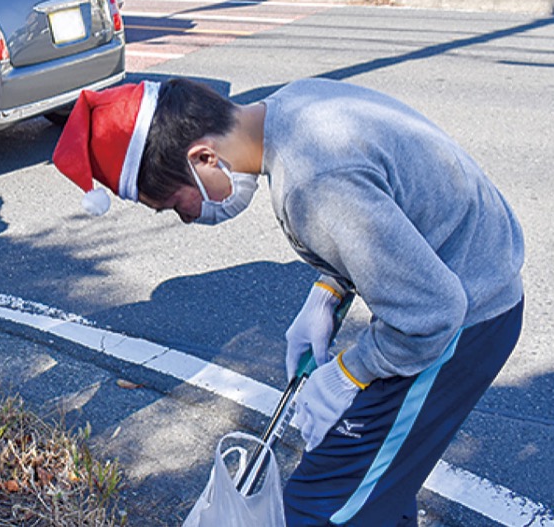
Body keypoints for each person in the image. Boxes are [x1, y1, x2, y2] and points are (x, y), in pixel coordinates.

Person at [52, 77, 525, 526]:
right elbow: (383, 213)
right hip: (464, 280)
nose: (188, 219)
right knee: (370, 485)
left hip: (464, 320)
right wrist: (328, 291)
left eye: (177, 205)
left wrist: (348, 374)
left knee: (325, 505)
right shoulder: (291, 107)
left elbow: (433, 315)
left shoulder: (310, 181)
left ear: (204, 158)